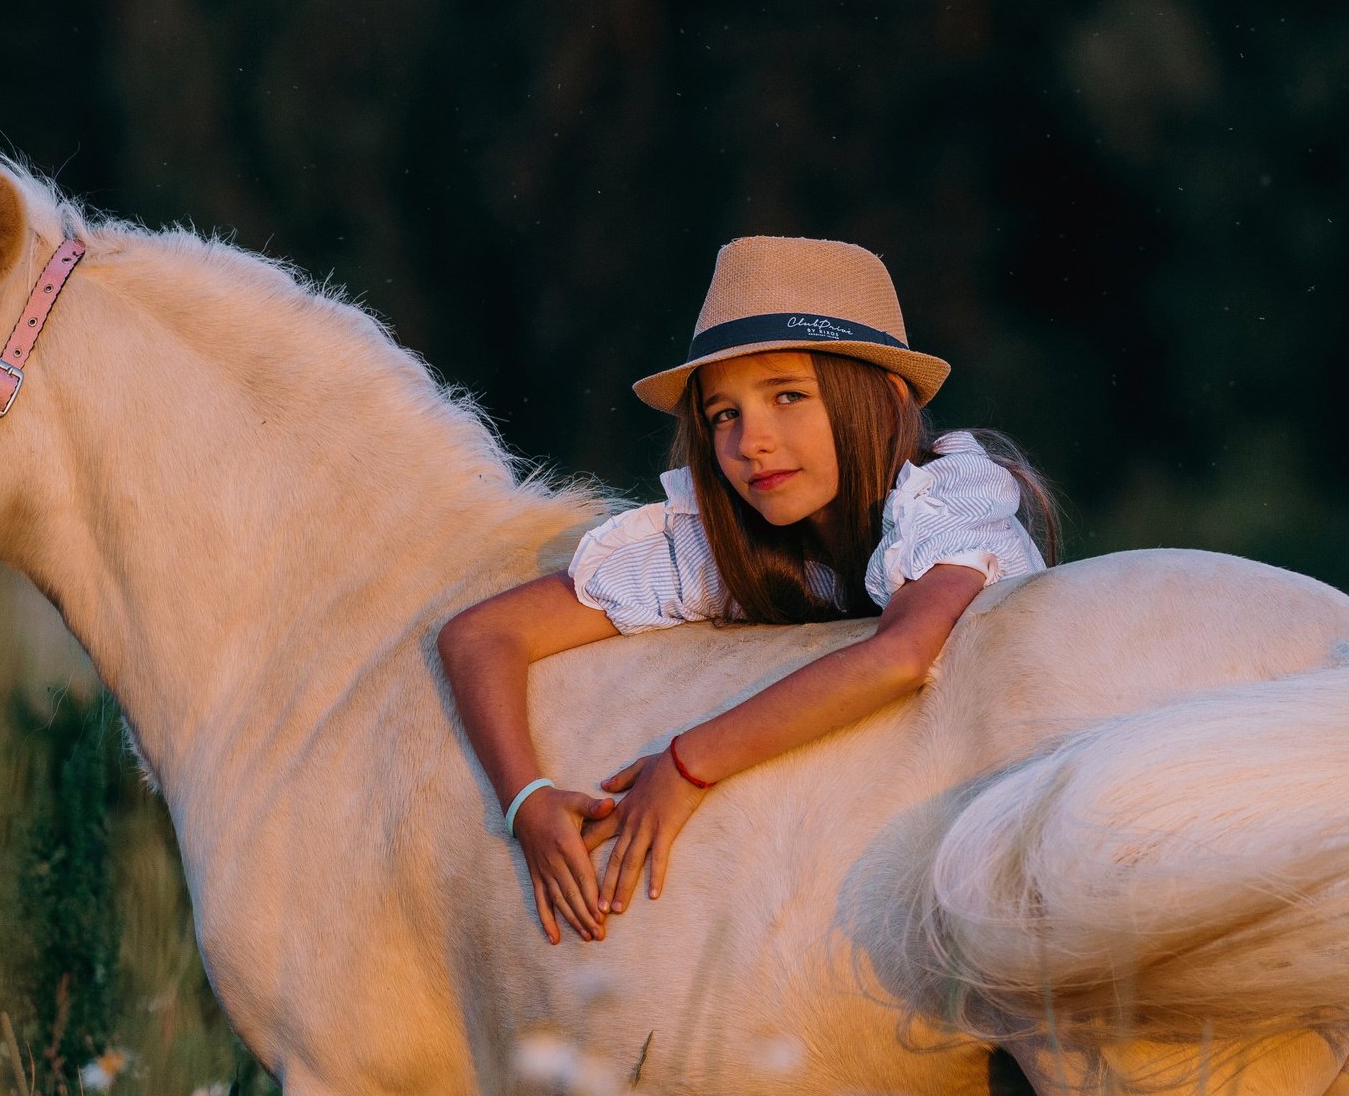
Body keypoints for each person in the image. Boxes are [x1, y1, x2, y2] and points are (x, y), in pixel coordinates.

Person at [440, 236, 1058, 945]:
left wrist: (686, 762)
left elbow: (902, 656)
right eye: (723, 414)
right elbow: (481, 635)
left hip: (1022, 829)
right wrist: (526, 799)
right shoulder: (730, 546)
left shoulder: (945, 501)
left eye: (788, 395)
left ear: (885, 401)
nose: (749, 441)